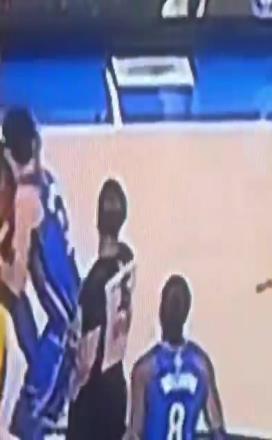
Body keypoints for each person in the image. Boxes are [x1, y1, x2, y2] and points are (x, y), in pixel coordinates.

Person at [0, 107, 81, 439]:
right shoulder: (46, 179)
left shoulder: (25, 199)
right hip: (71, 310)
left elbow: (16, 283)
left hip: (63, 329)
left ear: (8, 152)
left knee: (25, 425)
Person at [67, 179, 136, 440]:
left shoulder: (95, 283)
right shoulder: (126, 262)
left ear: (97, 220)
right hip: (116, 384)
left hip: (94, 396)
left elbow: (88, 353)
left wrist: (74, 391)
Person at [125, 274, 225, 440]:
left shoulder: (145, 369)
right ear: (187, 314)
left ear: (161, 313)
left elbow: (135, 433)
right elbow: (218, 430)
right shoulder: (201, 364)